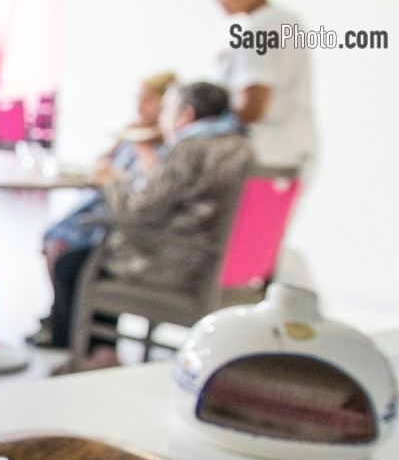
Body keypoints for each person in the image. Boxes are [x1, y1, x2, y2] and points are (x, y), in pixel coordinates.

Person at [48, 81, 254, 372]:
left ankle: (94, 356)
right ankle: (103, 351)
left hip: (176, 264)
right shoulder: (242, 146)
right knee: (92, 251)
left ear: (186, 114)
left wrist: (112, 181)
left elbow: (139, 210)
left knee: (73, 261)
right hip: (222, 264)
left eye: (168, 109)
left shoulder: (190, 146)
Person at [31, 72, 176, 345]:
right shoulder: (134, 133)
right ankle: (63, 322)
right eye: (138, 100)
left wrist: (141, 146)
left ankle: (81, 337)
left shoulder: (168, 147)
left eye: (148, 100)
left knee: (71, 256)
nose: (140, 107)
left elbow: (148, 194)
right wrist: (120, 145)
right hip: (105, 206)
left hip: (123, 220)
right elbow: (102, 165)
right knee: (55, 241)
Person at [215, 0, 316, 170]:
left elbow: (252, 109)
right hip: (297, 148)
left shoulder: (257, 31)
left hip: (270, 155)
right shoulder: (287, 20)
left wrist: (207, 120)